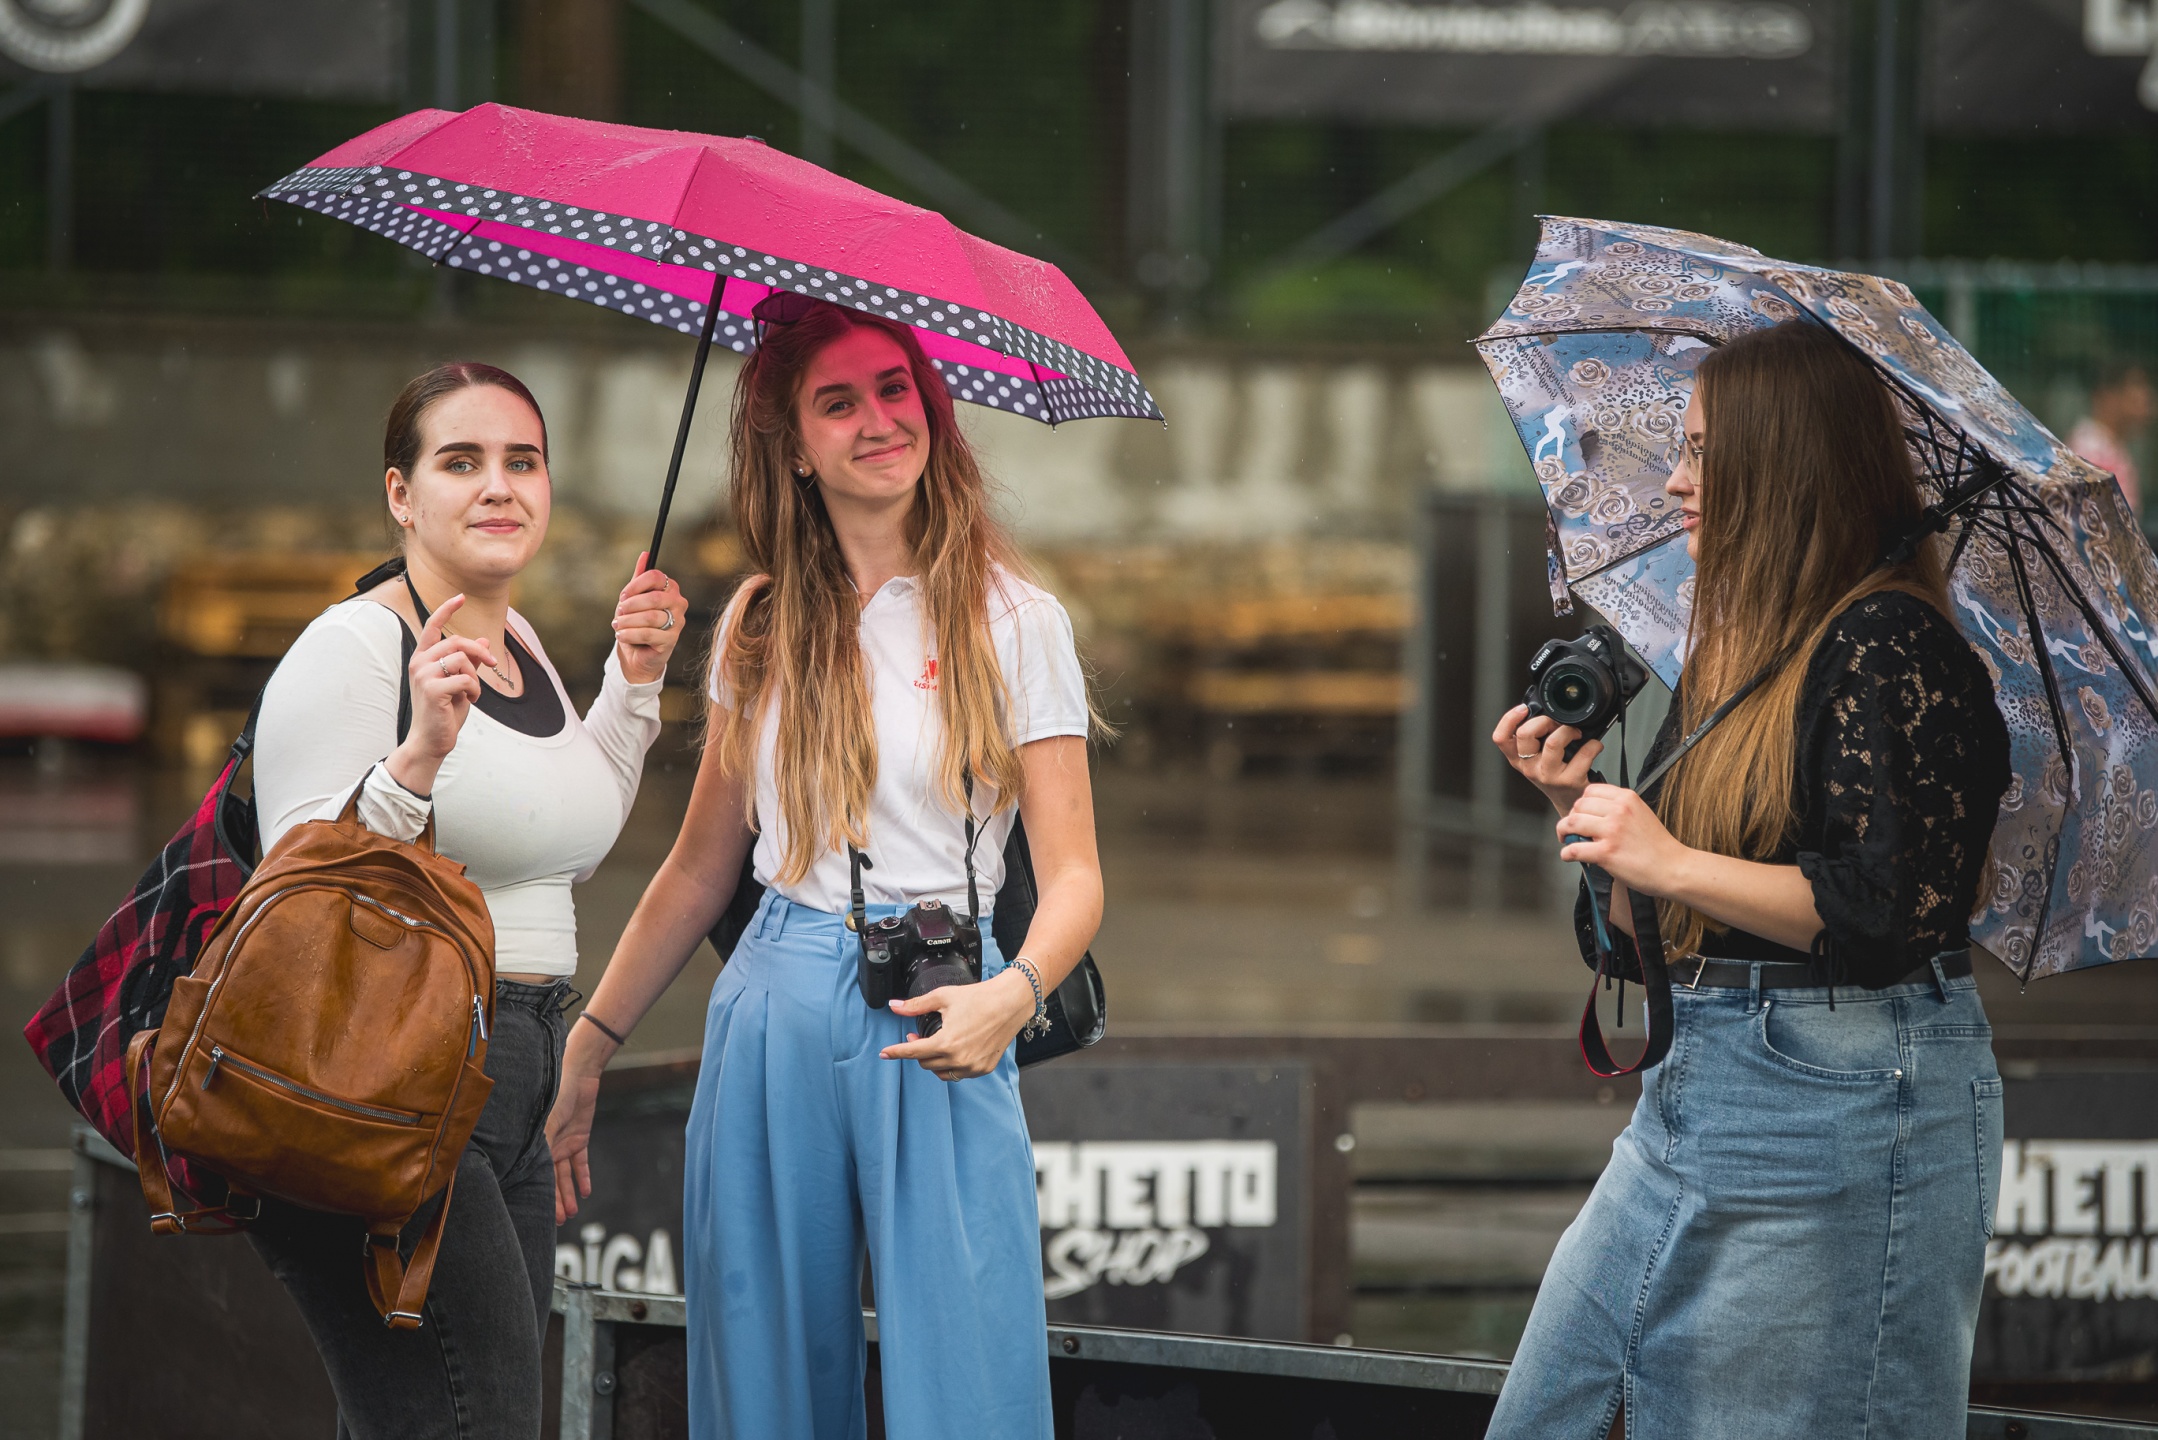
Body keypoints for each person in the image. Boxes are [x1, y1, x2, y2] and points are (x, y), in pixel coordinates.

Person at [543, 298, 1103, 1440]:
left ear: (933, 410)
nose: (877, 421)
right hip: (774, 1001)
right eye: (837, 403)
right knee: (764, 1381)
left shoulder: (1017, 620)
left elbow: (1076, 877)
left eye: (896, 389)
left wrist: (1013, 993)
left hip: (945, 999)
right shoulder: (758, 624)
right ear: (794, 445)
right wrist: (589, 1045)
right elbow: (700, 870)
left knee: (970, 1385)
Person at [1488, 321, 2012, 1439]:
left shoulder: (1889, 645)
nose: (1676, 482)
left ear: (1786, 467)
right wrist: (1585, 818)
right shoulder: (1739, 652)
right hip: (1693, 1089)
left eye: (1702, 453)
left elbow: (1881, 915)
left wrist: (1668, 858)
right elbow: (1664, 923)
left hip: (1839, 1100)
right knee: (1546, 1413)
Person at [248, 361, 689, 1440]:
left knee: (440, 1418)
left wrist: (632, 682)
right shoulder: (352, 649)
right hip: (388, 1080)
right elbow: (295, 897)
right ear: (401, 494)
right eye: (462, 462)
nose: (500, 486)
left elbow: (565, 841)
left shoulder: (520, 645)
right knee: (477, 1417)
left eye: (522, 462)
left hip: (517, 1078)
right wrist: (414, 762)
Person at [2069, 360, 2153, 517]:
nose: (2146, 399)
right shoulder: (2092, 452)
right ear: (2108, 395)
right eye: (2137, 387)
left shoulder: (2109, 445)